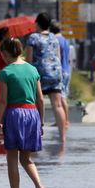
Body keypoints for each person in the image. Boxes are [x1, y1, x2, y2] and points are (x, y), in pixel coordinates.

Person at [0, 38, 48, 188]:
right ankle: (40, 187)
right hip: (32, 114)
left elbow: (3, 101)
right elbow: (40, 99)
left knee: (12, 159)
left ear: (5, 53)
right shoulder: (33, 70)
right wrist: (42, 122)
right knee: (26, 158)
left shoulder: (5, 72)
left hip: (14, 114)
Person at [25, 13, 67, 143]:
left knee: (37, 104)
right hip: (55, 73)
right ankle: (63, 137)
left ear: (37, 23)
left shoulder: (33, 38)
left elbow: (29, 59)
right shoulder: (54, 38)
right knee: (58, 105)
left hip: (40, 75)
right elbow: (58, 57)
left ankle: (35, 135)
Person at [49, 22, 71, 129]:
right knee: (63, 96)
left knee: (61, 97)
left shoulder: (55, 41)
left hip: (60, 71)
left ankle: (64, 121)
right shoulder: (66, 40)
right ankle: (62, 120)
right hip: (67, 69)